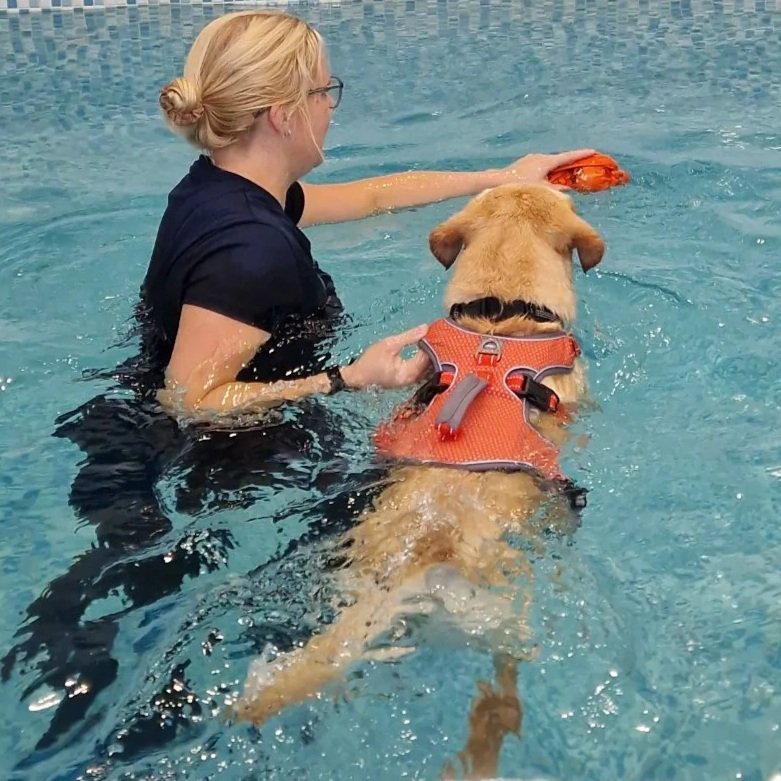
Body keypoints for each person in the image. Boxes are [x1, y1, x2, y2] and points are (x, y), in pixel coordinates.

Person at [2, 8, 594, 762]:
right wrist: (346, 377)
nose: (332, 105)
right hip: (205, 466)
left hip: (134, 432)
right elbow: (190, 400)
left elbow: (374, 196)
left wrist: (499, 179)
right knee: (252, 647)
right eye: (325, 91)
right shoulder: (251, 250)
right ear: (283, 114)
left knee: (113, 615)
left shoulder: (228, 188)